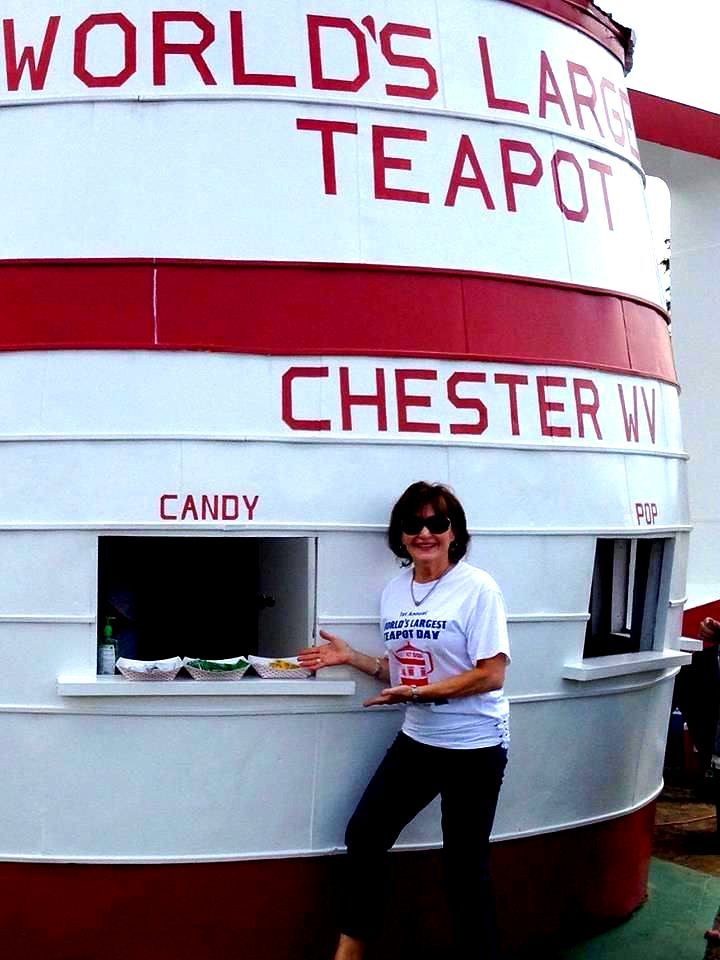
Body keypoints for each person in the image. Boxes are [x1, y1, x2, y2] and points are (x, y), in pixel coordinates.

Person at [297, 481, 511, 960]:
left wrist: (419, 693)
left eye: (437, 522)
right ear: (400, 535)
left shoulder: (477, 589)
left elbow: (491, 674)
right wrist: (354, 658)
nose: (425, 533)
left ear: (454, 531)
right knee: (366, 835)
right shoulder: (395, 591)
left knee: (464, 867)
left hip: (475, 746)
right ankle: (350, 952)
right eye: (413, 524)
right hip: (419, 738)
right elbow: (406, 668)